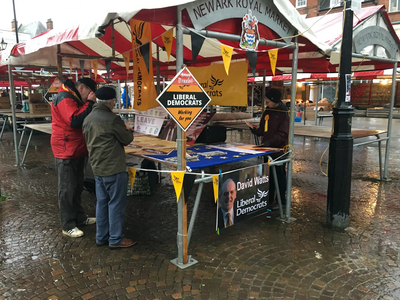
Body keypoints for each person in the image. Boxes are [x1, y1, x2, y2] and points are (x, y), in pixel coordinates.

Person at [82, 86, 135, 249]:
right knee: (115, 204)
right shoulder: (112, 119)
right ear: (111, 102)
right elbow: (126, 139)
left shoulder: (88, 118)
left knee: (102, 203)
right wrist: (128, 130)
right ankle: (116, 238)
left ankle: (101, 236)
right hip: (113, 167)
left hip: (97, 167)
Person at [51, 78, 98, 238]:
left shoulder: (73, 97)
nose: (89, 97)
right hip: (66, 150)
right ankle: (68, 224)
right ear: (82, 88)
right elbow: (74, 120)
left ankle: (80, 217)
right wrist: (90, 104)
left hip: (76, 149)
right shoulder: (65, 98)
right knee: (67, 188)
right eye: (90, 94)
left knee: (77, 186)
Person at [250, 88, 289, 210]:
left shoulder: (283, 114)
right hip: (267, 149)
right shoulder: (267, 111)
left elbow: (283, 134)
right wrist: (257, 131)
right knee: (268, 176)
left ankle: (281, 201)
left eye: (268, 100)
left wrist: (270, 141)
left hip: (279, 151)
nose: (265, 101)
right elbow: (263, 129)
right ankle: (269, 199)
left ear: (275, 101)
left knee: (279, 176)